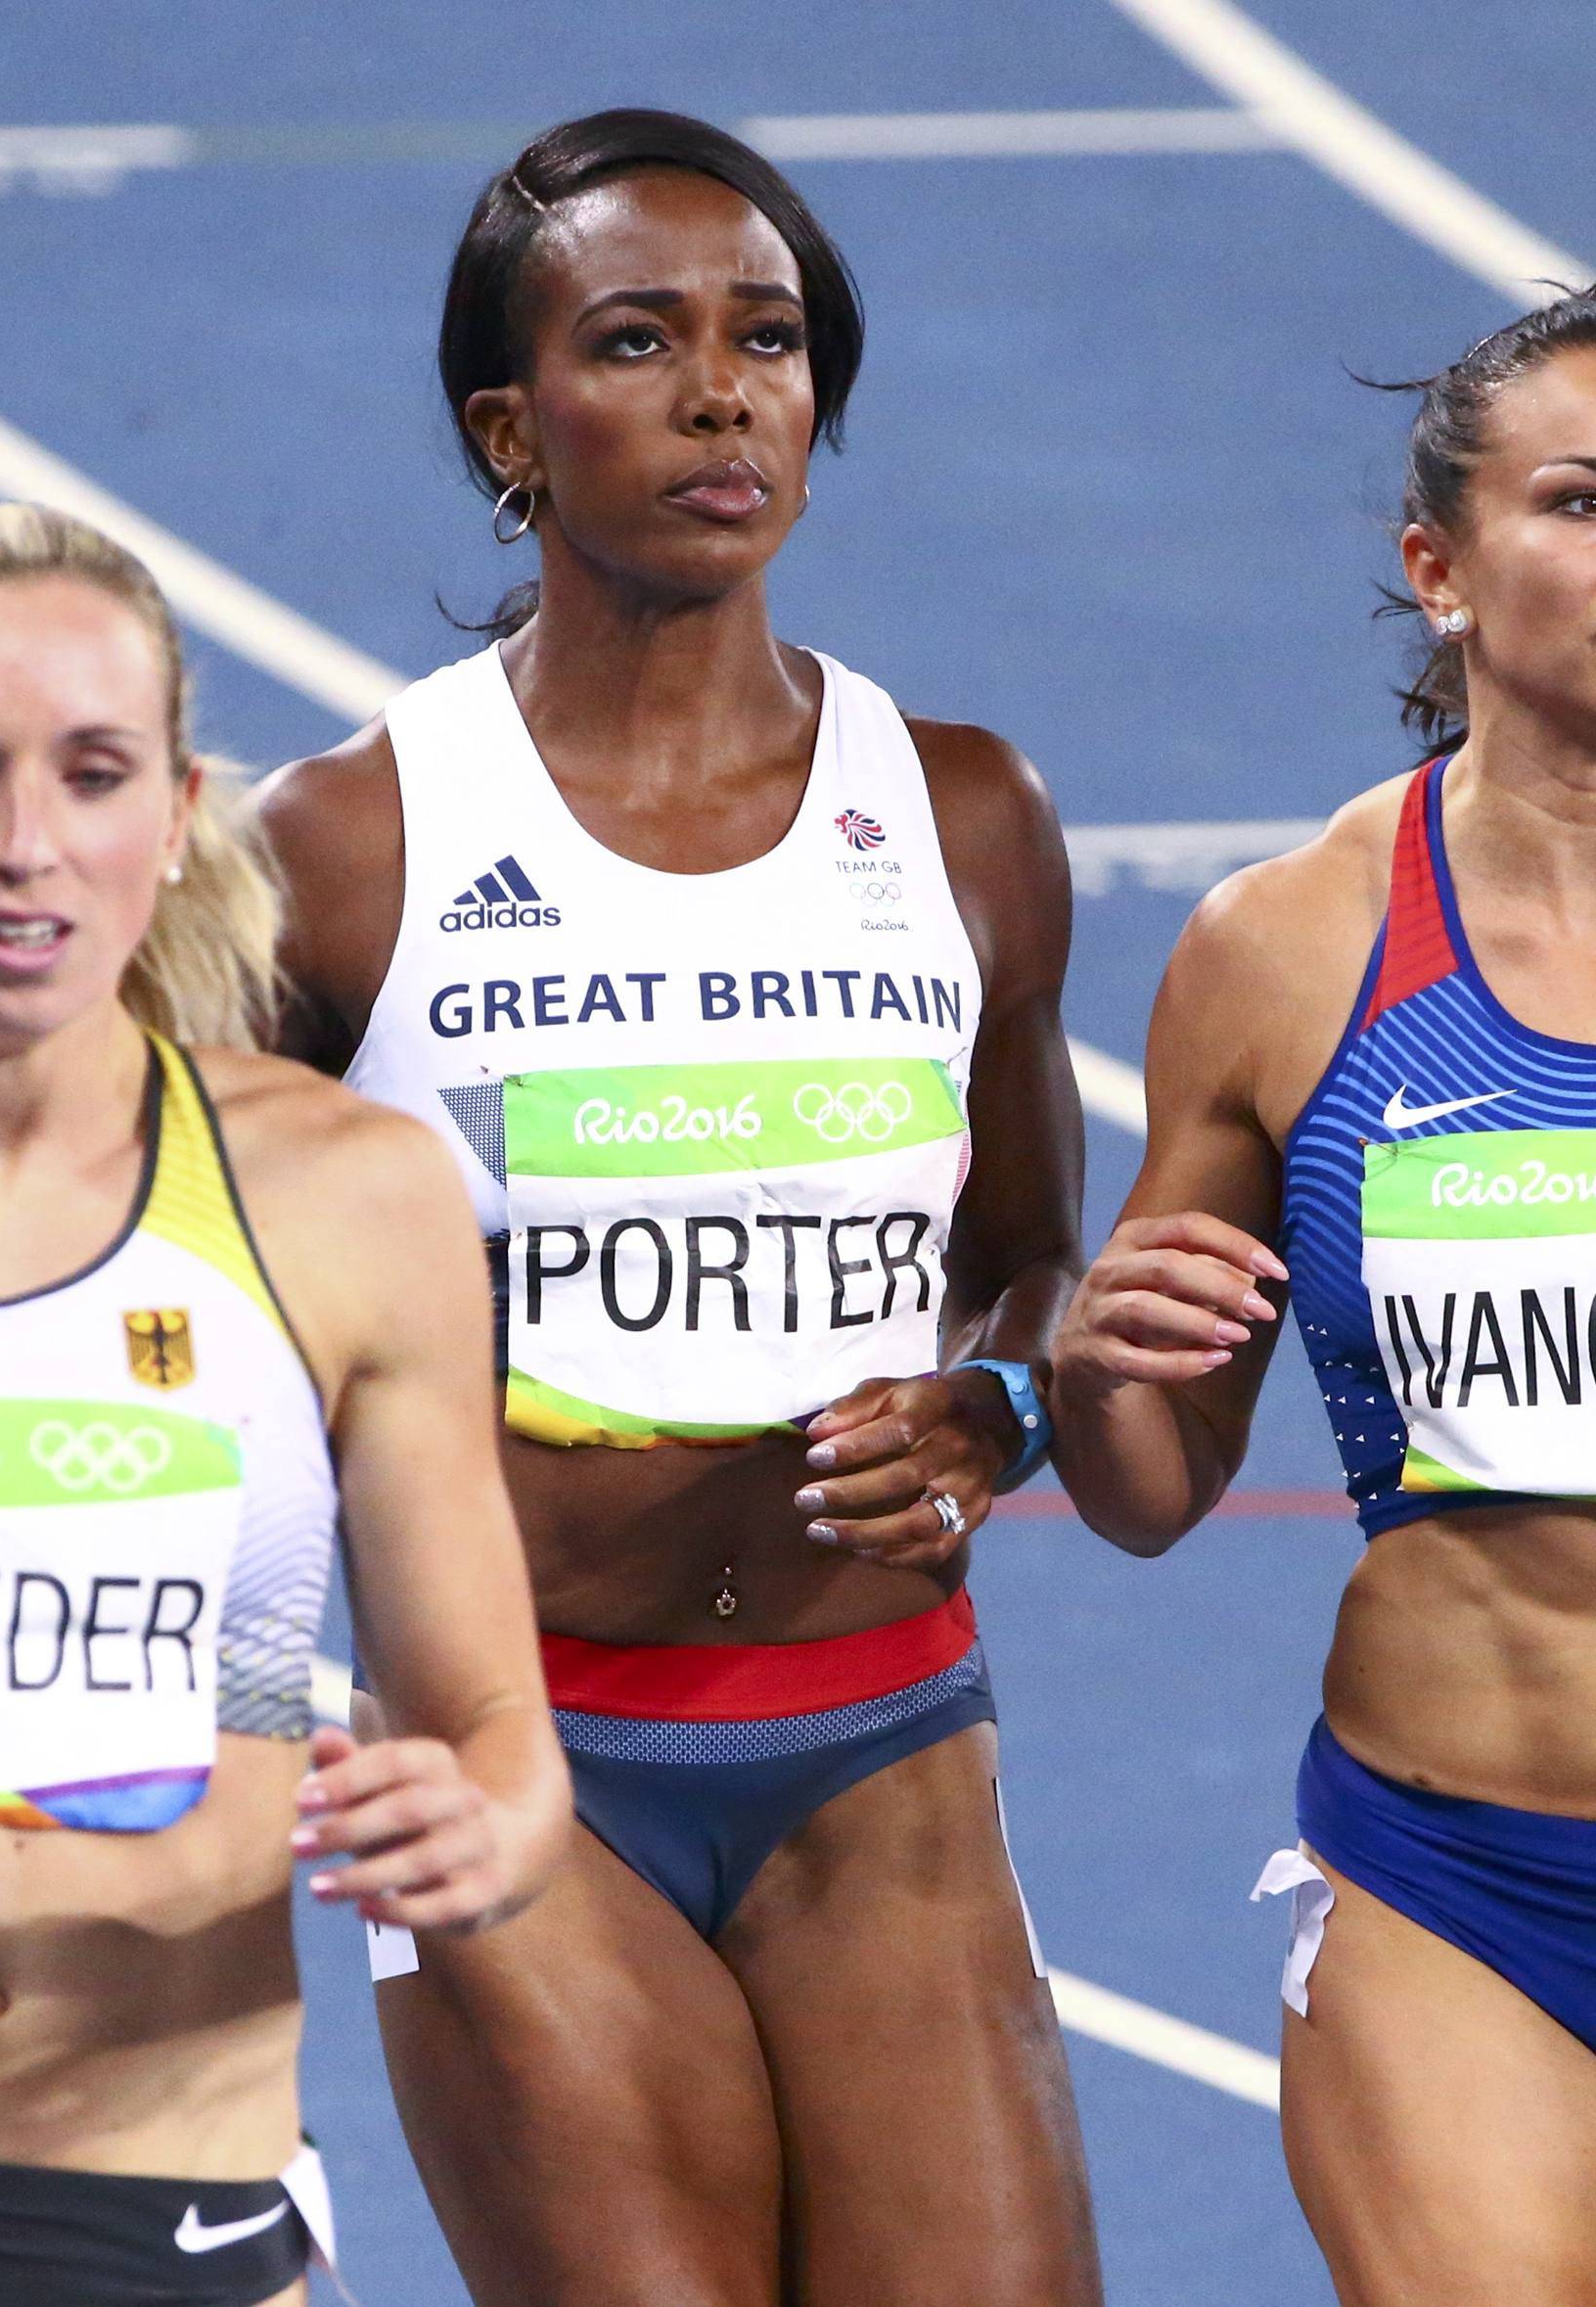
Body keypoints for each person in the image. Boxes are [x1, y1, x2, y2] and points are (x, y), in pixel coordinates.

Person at [263, 107, 1099, 2307]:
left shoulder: (964, 814)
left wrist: (996, 1405)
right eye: (639, 343)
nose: (725, 393)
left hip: (888, 1751)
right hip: (522, 1766)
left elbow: (1024, 1258)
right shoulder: (346, 847)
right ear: (508, 430)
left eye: (772, 343)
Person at [0, 502, 568, 2307]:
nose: (24, 846)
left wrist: (484, 1830)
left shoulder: (345, 1202)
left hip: (161, 2195)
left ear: (174, 818)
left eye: (91, 775)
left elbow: (500, 1729)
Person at [1052, 288, 1596, 2305]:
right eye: (1584, 500)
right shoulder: (1294, 949)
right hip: (1455, 1879)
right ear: (1437, 567)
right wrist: (1099, 1361)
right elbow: (1151, 1480)